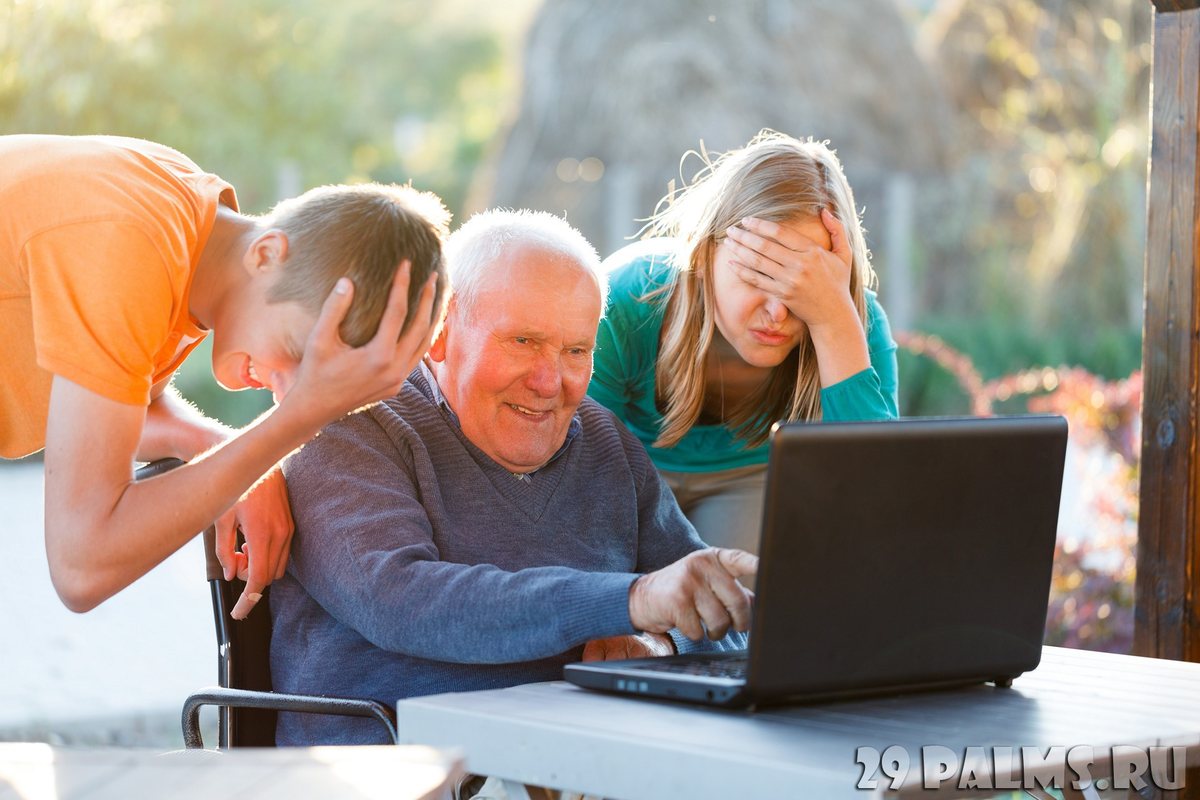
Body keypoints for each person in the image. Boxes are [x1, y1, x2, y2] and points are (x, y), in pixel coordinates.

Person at [272, 209, 757, 746]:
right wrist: (630, 600)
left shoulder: (604, 440)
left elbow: (720, 616)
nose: (551, 383)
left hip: (585, 765)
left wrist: (661, 644)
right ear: (439, 334)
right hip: (401, 772)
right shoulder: (350, 423)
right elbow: (401, 600)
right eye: (522, 341)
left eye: (576, 351)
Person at [0, 134, 447, 619]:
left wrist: (221, 450)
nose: (285, 393)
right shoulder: (129, 244)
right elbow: (81, 564)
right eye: (298, 353)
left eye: (328, 392)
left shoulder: (186, 227)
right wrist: (289, 428)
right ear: (267, 254)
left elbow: (105, 415)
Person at [588, 131, 899, 555]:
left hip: (748, 480)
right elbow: (575, 469)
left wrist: (833, 325)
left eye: (801, 287)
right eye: (757, 275)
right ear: (704, 256)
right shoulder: (624, 301)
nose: (777, 313)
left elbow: (879, 503)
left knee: (736, 609)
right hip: (624, 474)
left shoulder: (853, 324)